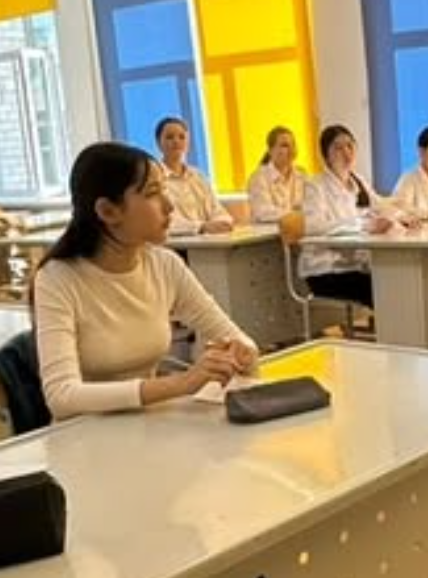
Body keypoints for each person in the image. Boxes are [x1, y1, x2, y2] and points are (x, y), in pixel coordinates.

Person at [34, 142, 259, 421]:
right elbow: (62, 396)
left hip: (147, 425)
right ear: (107, 211)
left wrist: (241, 352)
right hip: (82, 434)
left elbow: (233, 336)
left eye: (165, 189)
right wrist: (182, 383)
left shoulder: (164, 264)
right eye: (153, 193)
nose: (169, 205)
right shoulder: (57, 278)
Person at [300, 125, 401, 307]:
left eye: (350, 146)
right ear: (326, 155)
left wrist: (404, 216)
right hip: (325, 269)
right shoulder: (315, 185)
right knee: (383, 288)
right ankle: (390, 325)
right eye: (338, 148)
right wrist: (362, 225)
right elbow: (313, 226)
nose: (346, 152)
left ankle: (394, 324)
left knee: (396, 278)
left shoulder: (358, 181)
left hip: (354, 264)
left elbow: (381, 206)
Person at [155, 116, 234, 235]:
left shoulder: (198, 176)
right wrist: (202, 227)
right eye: (169, 137)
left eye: (182, 137)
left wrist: (222, 223)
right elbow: (163, 220)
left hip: (209, 240)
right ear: (158, 143)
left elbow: (218, 210)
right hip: (178, 243)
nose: (176, 141)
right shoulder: (154, 178)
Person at [247, 126, 306, 223]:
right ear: (270, 151)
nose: (291, 150)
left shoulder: (302, 175)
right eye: (285, 145)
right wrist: (296, 214)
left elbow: (310, 206)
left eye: (293, 145)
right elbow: (263, 212)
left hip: (297, 228)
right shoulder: (259, 177)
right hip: (269, 230)